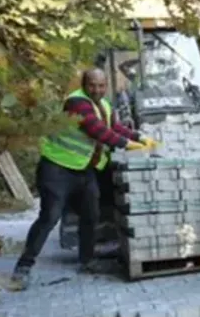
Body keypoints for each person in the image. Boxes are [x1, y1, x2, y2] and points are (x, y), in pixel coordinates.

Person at [11, 68, 156, 290]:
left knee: (91, 214)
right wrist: (127, 145)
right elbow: (96, 129)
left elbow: (113, 127)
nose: (97, 90)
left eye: (101, 86)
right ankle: (23, 267)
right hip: (57, 169)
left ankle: (87, 260)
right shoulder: (76, 102)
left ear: (106, 86)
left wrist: (139, 136)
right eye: (92, 85)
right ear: (84, 84)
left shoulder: (105, 105)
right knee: (50, 216)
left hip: (84, 170)